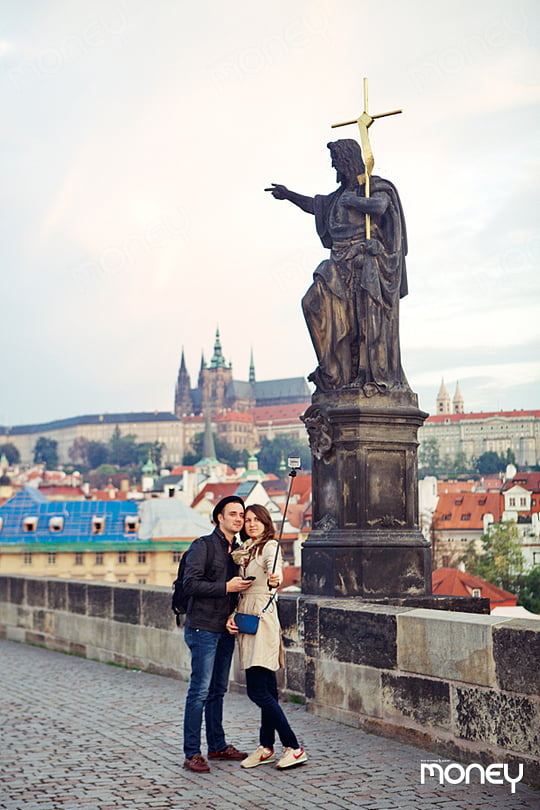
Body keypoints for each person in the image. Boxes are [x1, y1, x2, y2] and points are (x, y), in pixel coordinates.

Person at [266, 138, 409, 396]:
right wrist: (288, 195)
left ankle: (368, 376)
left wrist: (353, 201)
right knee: (312, 303)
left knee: (365, 321)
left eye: (336, 164)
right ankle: (332, 371)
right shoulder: (338, 196)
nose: (334, 169)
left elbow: (379, 207)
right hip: (338, 263)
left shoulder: (375, 187)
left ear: (347, 162)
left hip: (366, 264)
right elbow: (315, 206)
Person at [226, 504, 308, 770]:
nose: (250, 524)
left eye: (256, 520)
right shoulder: (245, 551)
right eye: (247, 520)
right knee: (267, 689)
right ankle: (266, 747)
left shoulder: (269, 547)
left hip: (261, 618)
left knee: (257, 690)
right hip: (247, 616)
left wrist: (275, 579)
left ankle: (294, 747)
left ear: (265, 522)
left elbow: (276, 574)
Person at [182, 495, 253, 773]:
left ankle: (217, 746)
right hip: (202, 627)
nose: (238, 519)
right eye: (233, 514)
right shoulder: (203, 546)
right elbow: (191, 584)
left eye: (241, 515)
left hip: (225, 627)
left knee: (217, 691)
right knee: (199, 691)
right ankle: (192, 753)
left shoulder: (238, 549)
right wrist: (227, 587)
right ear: (219, 518)